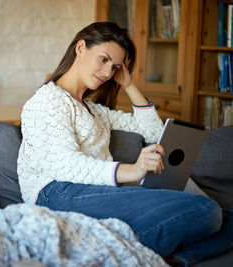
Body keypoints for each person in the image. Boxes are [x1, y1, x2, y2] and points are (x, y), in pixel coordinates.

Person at [17, 22, 233, 266]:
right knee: (207, 211)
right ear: (80, 48)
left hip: (95, 190)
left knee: (227, 219)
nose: (108, 73)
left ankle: (164, 258)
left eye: (115, 66)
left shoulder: (95, 111)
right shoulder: (48, 100)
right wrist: (133, 170)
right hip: (55, 192)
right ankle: (121, 256)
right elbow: (63, 165)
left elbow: (152, 131)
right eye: (103, 59)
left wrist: (129, 84)